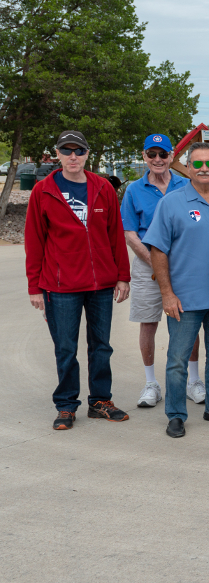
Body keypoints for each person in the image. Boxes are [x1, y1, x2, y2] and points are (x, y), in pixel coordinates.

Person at [25, 130, 131, 430]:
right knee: (65, 348)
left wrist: (123, 276)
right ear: (57, 154)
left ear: (87, 154)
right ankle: (67, 406)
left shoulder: (103, 188)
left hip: (100, 285)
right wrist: (34, 286)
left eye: (79, 151)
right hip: (59, 286)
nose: (73, 156)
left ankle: (100, 401)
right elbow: (34, 241)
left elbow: (115, 235)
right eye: (66, 150)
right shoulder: (43, 191)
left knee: (101, 345)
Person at [143, 142, 209, 438]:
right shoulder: (172, 203)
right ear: (187, 168)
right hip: (185, 297)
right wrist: (166, 293)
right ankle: (176, 414)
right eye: (197, 164)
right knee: (177, 359)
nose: (204, 169)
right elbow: (158, 250)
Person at [121, 134, 200, 408]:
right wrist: (156, 264)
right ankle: (151, 384)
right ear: (144, 156)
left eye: (163, 155)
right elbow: (130, 232)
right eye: (152, 154)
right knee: (148, 322)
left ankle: (193, 381)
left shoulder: (187, 185)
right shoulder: (134, 190)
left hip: (184, 266)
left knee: (188, 322)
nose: (157, 160)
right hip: (146, 267)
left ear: (171, 157)